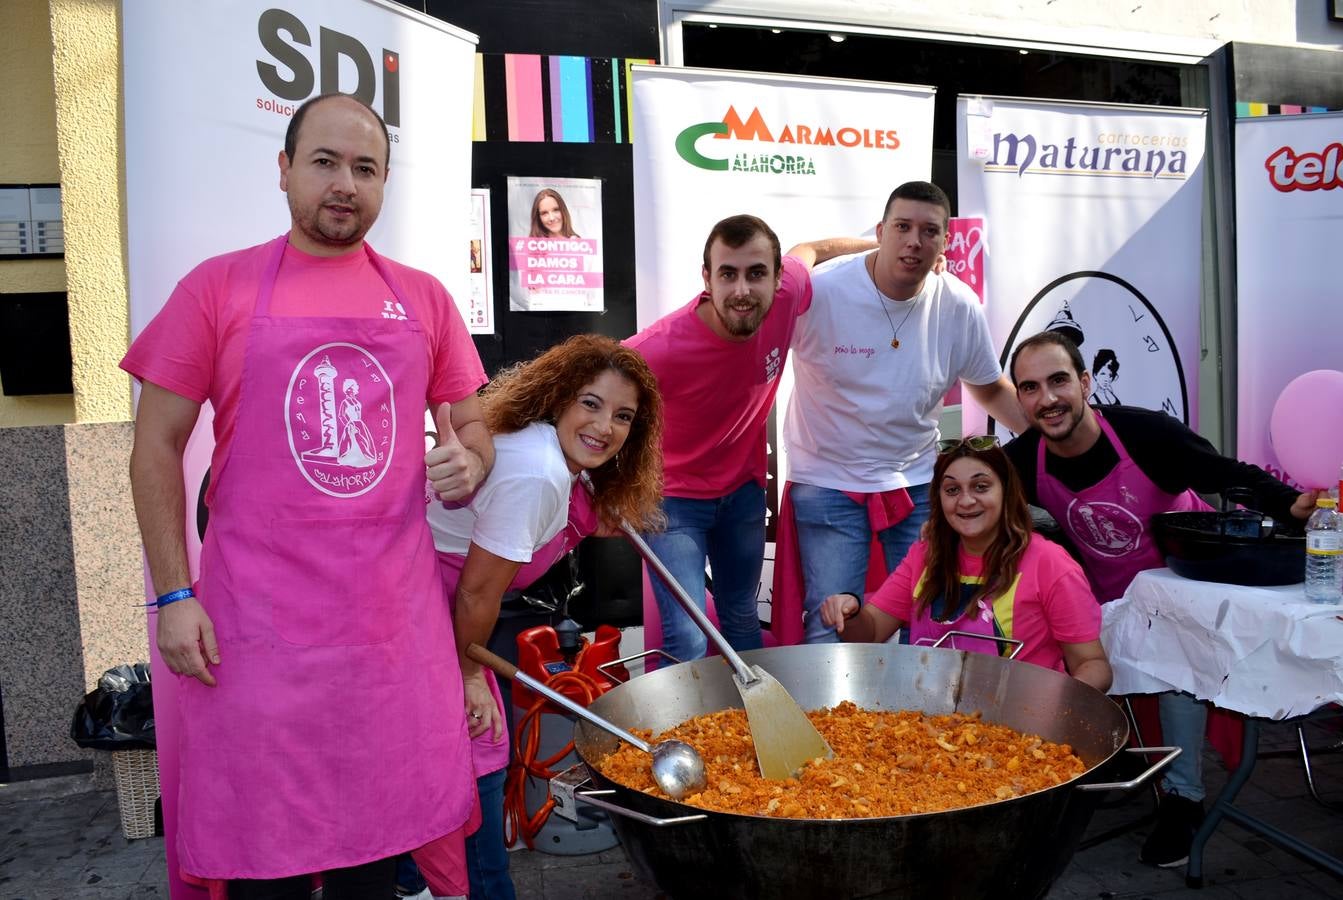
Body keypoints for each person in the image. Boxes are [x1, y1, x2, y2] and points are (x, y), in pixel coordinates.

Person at [122, 92, 495, 897]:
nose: (344, 184)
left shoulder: (424, 298)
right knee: (266, 864)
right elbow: (155, 448)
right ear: (285, 169)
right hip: (257, 639)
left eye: (366, 168)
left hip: (388, 641)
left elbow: (470, 421)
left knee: (374, 860)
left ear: (384, 183)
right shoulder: (216, 289)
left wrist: (470, 458)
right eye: (324, 162)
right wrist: (174, 596)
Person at [1004, 330, 1320, 868]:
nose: (1047, 398)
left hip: (1187, 588)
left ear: (1085, 383)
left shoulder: (1144, 433)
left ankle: (1183, 800)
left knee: (1174, 665)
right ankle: (1107, 758)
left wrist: (1293, 506)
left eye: (1058, 381)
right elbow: (982, 500)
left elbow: (1228, 475)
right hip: (1111, 594)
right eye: (1030, 388)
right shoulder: (1022, 459)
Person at [416, 334, 664, 899]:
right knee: (481, 747)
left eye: (623, 416)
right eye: (591, 404)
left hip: (442, 605)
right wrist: (469, 675)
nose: (604, 426)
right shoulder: (538, 471)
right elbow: (476, 593)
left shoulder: (553, 454)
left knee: (464, 752)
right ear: (558, 398)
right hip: (422, 607)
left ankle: (415, 880)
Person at [784, 181, 1027, 645]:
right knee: (831, 625)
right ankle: (827, 699)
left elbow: (990, 388)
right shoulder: (824, 291)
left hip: (915, 482)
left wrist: (1056, 445)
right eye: (902, 228)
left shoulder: (957, 303)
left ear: (945, 242)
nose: (914, 241)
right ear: (880, 232)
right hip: (827, 479)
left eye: (929, 231)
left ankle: (916, 698)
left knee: (928, 622)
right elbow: (758, 350)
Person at [624, 214, 873, 663]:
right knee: (688, 638)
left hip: (741, 493)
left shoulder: (788, 295)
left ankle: (747, 712)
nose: (742, 290)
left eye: (756, 274)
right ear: (707, 279)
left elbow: (813, 249)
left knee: (741, 617)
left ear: (777, 278)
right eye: (728, 274)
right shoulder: (659, 347)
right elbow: (587, 385)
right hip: (670, 500)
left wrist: (883, 250)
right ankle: (671, 715)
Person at [818, 438, 1112, 691]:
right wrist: (849, 612)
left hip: (1022, 726)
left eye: (981, 487)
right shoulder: (924, 555)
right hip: (927, 722)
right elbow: (870, 633)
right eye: (952, 490)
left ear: (1007, 491)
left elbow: (1093, 664)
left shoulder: (1050, 563)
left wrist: (1055, 707)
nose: (966, 501)